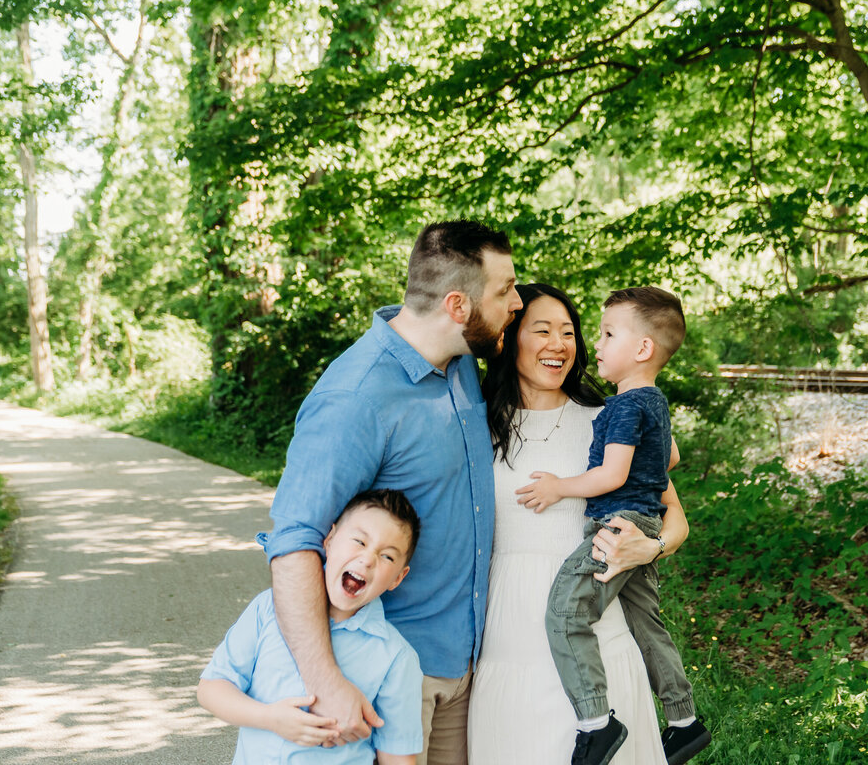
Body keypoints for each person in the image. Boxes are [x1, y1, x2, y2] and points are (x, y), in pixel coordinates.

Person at [259, 220, 523, 765]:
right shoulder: (356, 397)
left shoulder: (461, 364)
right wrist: (327, 681)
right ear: (457, 305)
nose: (516, 302)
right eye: (505, 290)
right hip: (387, 677)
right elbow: (294, 543)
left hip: (465, 666)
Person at [468, 283, 689, 765]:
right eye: (542, 330)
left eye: (569, 332)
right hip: (508, 627)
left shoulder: (609, 419)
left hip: (597, 622)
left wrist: (649, 550)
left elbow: (675, 518)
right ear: (509, 337)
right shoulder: (475, 424)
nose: (559, 344)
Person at [199, 489, 424, 764]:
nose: (367, 559)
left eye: (387, 556)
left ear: (398, 578)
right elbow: (211, 688)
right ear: (329, 540)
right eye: (359, 541)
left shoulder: (397, 658)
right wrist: (271, 719)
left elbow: (397, 757)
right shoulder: (268, 608)